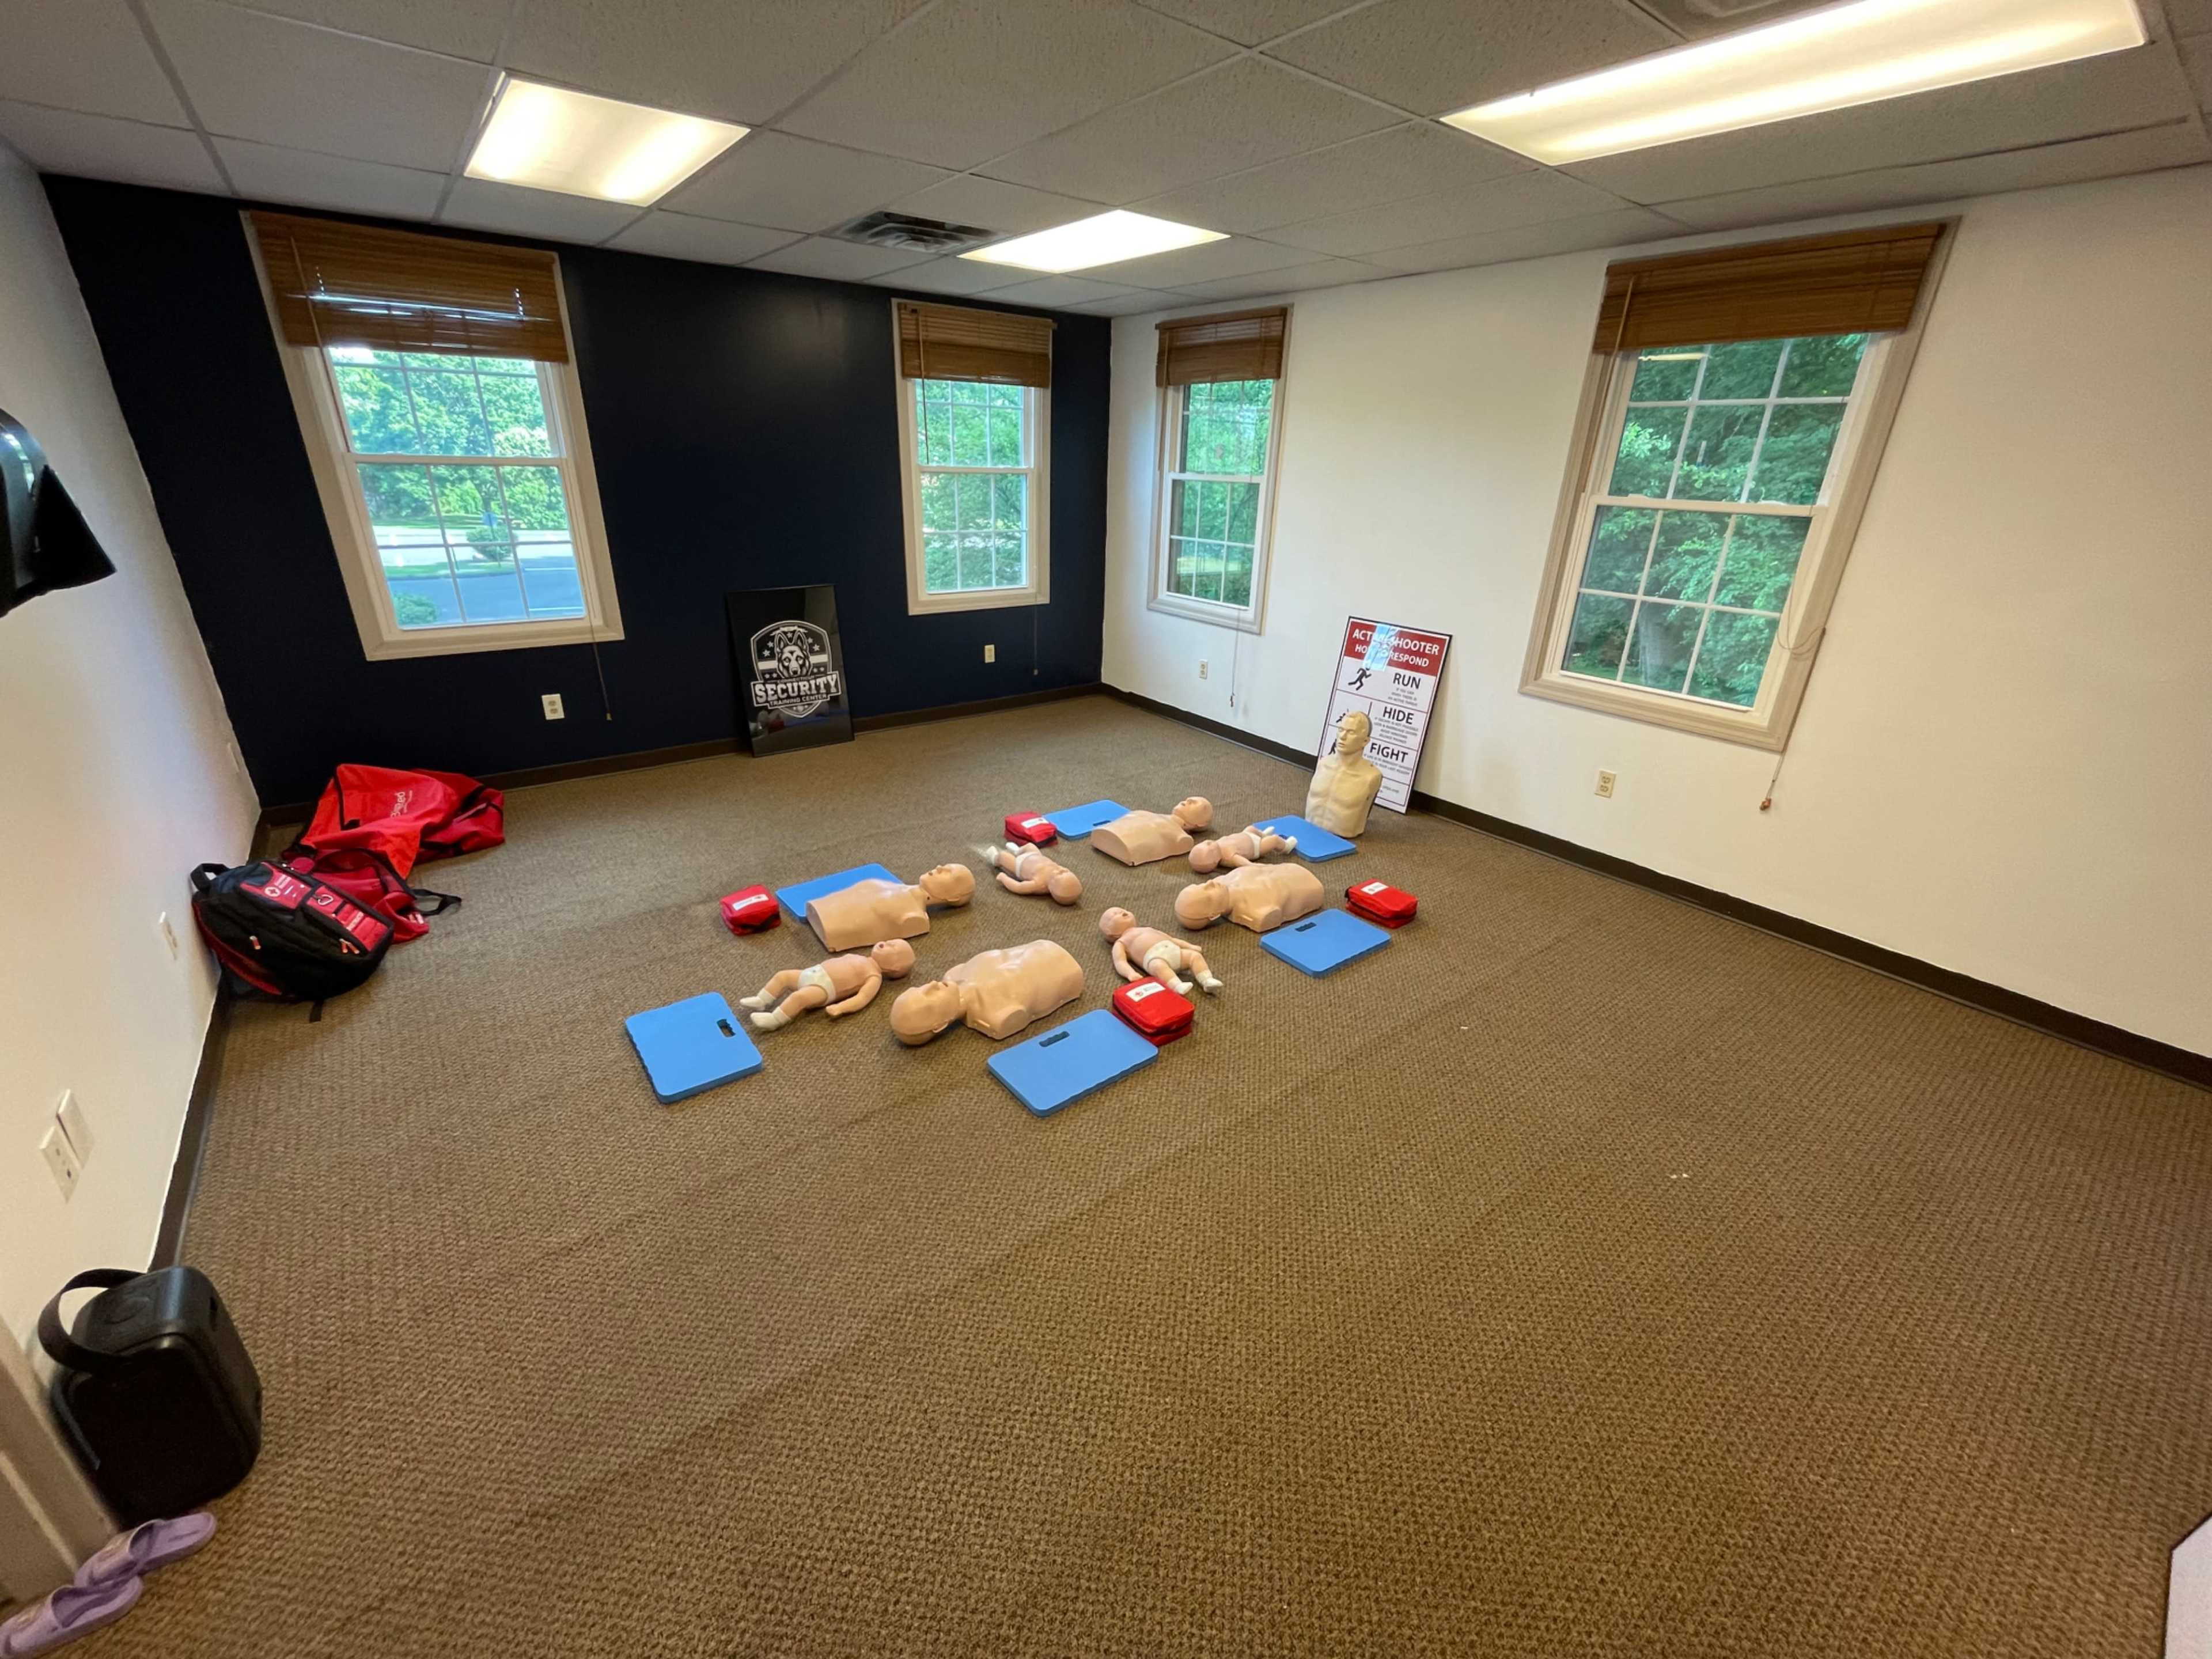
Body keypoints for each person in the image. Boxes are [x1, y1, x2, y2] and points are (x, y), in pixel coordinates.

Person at [738, 938, 914, 1031]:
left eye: (891, 947)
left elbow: (862, 999)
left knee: (799, 997)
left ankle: (775, 1019)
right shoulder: (861, 957)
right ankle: (762, 1000)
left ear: (895, 967)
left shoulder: (874, 977)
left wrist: (841, 1008)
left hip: (824, 989)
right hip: (811, 973)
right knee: (782, 976)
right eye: (889, 941)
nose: (884, 943)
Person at [1099, 907, 1221, 996]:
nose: (1123, 912)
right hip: (1154, 959)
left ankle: (1207, 980)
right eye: (1115, 914)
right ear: (1109, 931)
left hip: (1174, 951)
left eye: (1123, 910)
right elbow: (1120, 962)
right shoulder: (1121, 942)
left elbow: (1172, 939)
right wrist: (1130, 973)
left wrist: (1189, 946)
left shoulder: (1147, 928)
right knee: (1159, 967)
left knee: (1195, 956)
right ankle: (1177, 985)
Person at [1306, 710, 1384, 836]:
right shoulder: (1323, 764)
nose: (1343, 736)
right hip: (1309, 827)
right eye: (1341, 730)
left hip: (1344, 836)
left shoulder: (1371, 777)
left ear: (1365, 741)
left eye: (1351, 733)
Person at [976, 842, 1082, 904]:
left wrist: (1004, 879)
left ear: (1051, 888)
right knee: (1030, 845)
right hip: (1035, 855)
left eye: (1059, 874)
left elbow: (1019, 887)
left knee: (1003, 856)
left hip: (1019, 865)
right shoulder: (1056, 871)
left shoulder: (1039, 884)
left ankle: (995, 859)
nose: (1061, 869)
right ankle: (1018, 851)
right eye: (1067, 871)